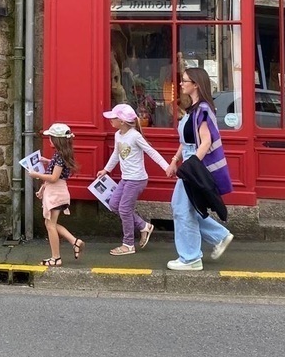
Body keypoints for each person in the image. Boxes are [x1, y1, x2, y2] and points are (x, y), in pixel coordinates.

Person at [166, 68, 234, 271]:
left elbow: (205, 142)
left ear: (195, 84)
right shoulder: (194, 110)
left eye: (184, 81)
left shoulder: (202, 110)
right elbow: (186, 142)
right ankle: (219, 236)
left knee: (181, 209)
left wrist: (191, 165)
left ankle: (191, 258)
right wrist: (174, 161)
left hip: (193, 166)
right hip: (189, 164)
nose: (180, 84)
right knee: (185, 208)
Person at [97, 102, 170, 255]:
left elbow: (152, 152)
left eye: (113, 118)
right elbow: (116, 154)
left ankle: (128, 244)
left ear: (122, 121)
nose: (110, 120)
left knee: (124, 209)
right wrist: (106, 169)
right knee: (113, 204)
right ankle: (144, 226)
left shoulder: (135, 136)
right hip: (126, 179)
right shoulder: (118, 135)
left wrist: (167, 167)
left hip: (137, 180)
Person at [28, 123, 84, 267]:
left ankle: (56, 258)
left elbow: (53, 178)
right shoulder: (61, 154)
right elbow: (57, 170)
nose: (49, 140)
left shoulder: (59, 156)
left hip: (56, 192)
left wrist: (36, 174)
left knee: (50, 225)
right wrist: (47, 161)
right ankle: (74, 242)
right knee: (50, 223)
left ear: (56, 140)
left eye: (51, 138)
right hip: (57, 191)